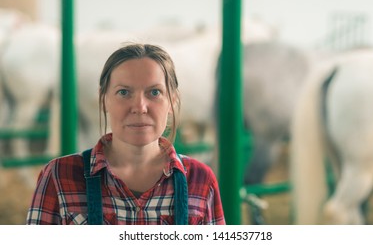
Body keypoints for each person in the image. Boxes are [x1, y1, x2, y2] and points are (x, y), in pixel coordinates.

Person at [26, 43, 225, 225]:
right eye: (124, 92)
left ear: (172, 101)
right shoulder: (59, 177)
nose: (140, 107)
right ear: (104, 100)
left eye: (154, 92)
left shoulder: (201, 181)